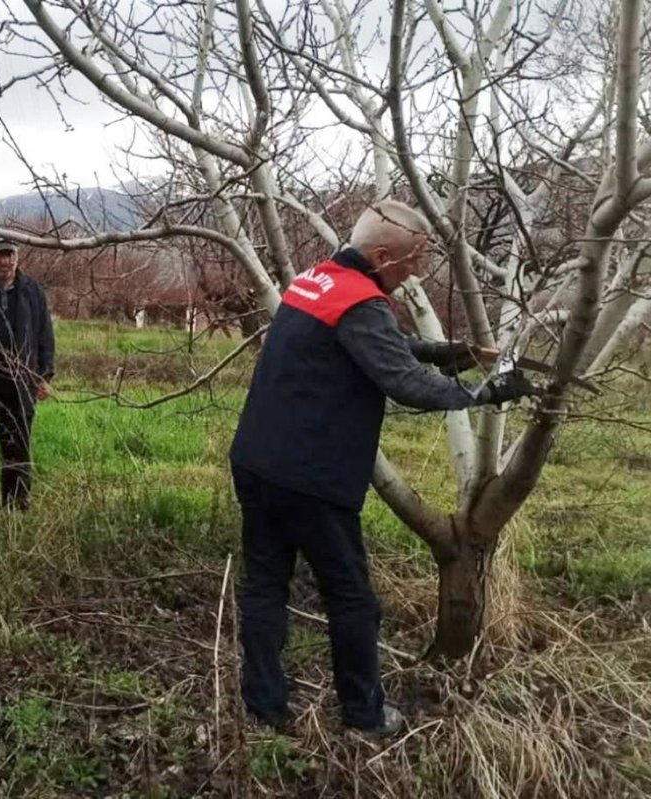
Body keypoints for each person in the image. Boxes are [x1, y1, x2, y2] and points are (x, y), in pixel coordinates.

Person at [229, 200, 540, 738]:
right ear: (380, 256)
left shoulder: (316, 282)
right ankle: (364, 715)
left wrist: (454, 352)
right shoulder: (362, 303)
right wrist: (481, 394)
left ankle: (263, 708)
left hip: (258, 460)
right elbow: (402, 381)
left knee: (264, 585)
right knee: (353, 599)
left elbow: (375, 345)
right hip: (312, 479)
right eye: (411, 262)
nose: (415, 273)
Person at [0, 238, 55, 509]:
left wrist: (43, 375)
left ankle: (15, 504)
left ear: (18, 256)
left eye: (11, 254)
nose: (6, 261)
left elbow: (44, 334)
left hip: (20, 381)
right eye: (0, 254)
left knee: (17, 444)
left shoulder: (32, 290)